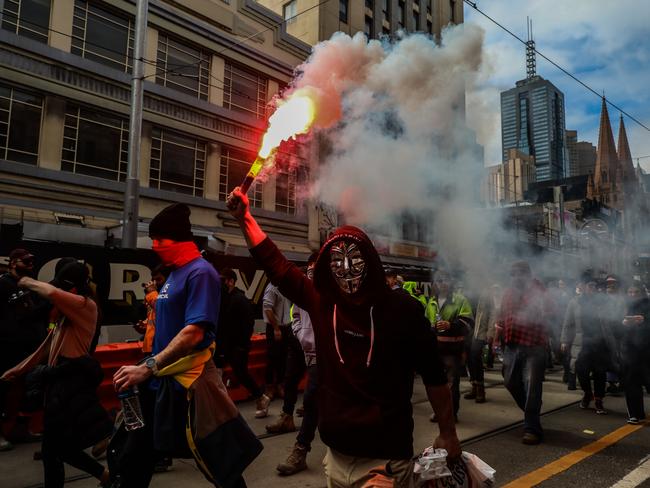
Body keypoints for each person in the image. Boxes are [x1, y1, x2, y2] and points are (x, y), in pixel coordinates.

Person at [227, 188, 460, 487]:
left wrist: (448, 433)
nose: (347, 270)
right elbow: (277, 265)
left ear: (372, 264)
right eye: (338, 261)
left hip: (385, 463)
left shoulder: (404, 309)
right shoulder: (321, 302)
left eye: (356, 260)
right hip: (335, 459)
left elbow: (434, 377)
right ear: (327, 267)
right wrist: (245, 218)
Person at [112, 203, 262, 488]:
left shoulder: (200, 272)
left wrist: (149, 366)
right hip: (161, 384)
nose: (155, 246)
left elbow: (194, 332)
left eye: (160, 240)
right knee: (133, 460)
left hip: (190, 384)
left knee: (221, 463)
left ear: (179, 239)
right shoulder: (173, 275)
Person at [1, 260, 112, 487]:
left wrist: (24, 280)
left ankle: (106, 475)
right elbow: (47, 346)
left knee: (55, 450)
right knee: (57, 449)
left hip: (72, 383)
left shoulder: (85, 305)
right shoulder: (65, 316)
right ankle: (106, 476)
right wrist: (18, 370)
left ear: (74, 289)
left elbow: (51, 292)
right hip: (60, 383)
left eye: (65, 287)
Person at [273, 252, 320, 476]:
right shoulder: (303, 290)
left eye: (315, 267)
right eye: (309, 267)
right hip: (307, 350)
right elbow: (297, 315)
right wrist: (301, 334)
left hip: (327, 355)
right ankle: (295, 435)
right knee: (303, 391)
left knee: (312, 399)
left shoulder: (334, 289)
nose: (311, 271)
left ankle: (302, 448)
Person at [0, 248, 49, 451]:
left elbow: (34, 314)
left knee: (28, 390)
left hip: (30, 346)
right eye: (25, 261)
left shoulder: (31, 285)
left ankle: (21, 430)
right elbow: (23, 314)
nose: (30, 265)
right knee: (3, 389)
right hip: (6, 345)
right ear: (13, 262)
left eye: (32, 262)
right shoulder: (3, 284)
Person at [497, 261, 549, 445]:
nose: (516, 277)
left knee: (532, 387)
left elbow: (549, 312)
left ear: (527, 274)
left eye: (520, 273)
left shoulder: (539, 289)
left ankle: (532, 428)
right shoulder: (508, 292)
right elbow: (502, 315)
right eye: (514, 274)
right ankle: (531, 409)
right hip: (512, 344)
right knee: (510, 382)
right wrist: (498, 331)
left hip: (534, 345)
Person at [214, 267, 270, 418]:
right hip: (223, 345)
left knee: (240, 373)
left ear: (231, 281)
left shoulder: (240, 299)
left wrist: (241, 345)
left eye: (223, 280)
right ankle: (222, 407)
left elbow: (248, 324)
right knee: (217, 376)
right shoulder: (223, 299)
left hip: (236, 345)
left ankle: (260, 397)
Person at [425, 270, 474, 421]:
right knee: (436, 383)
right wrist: (432, 328)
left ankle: (451, 414)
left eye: (446, 280)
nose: (442, 284)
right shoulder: (432, 301)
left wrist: (450, 325)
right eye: (439, 281)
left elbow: (468, 323)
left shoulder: (460, 300)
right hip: (435, 349)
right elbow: (426, 323)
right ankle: (440, 412)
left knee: (452, 383)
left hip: (453, 350)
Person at [561, 279, 609, 415]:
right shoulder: (574, 302)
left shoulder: (602, 302)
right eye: (590, 285)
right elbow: (567, 322)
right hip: (582, 342)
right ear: (584, 287)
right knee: (581, 370)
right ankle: (588, 393)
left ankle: (599, 399)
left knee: (600, 372)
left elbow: (609, 322)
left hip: (600, 342)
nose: (592, 288)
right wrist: (564, 340)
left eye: (594, 286)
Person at [620, 282, 650, 424]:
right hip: (629, 350)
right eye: (630, 292)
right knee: (631, 382)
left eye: (635, 292)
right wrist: (623, 324)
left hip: (647, 350)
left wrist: (644, 321)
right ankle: (635, 414)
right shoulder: (624, 305)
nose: (632, 295)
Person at [466, 284, 500, 404]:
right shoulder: (463, 290)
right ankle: (474, 386)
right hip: (467, 329)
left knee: (475, 356)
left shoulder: (486, 292)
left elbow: (493, 312)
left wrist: (490, 331)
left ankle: (480, 388)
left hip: (480, 329)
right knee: (469, 359)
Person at [263, 281, 292, 401]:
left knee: (284, 357)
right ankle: (269, 387)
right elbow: (268, 309)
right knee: (272, 357)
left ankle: (280, 385)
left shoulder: (286, 287)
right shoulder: (272, 288)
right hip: (275, 328)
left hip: (286, 327)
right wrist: (276, 328)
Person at [134, 264, 171, 356]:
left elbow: (163, 310)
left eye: (159, 280)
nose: (155, 283)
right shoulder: (155, 295)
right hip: (150, 346)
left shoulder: (169, 293)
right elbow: (156, 317)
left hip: (162, 347)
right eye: (154, 280)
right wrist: (145, 325)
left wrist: (151, 293)